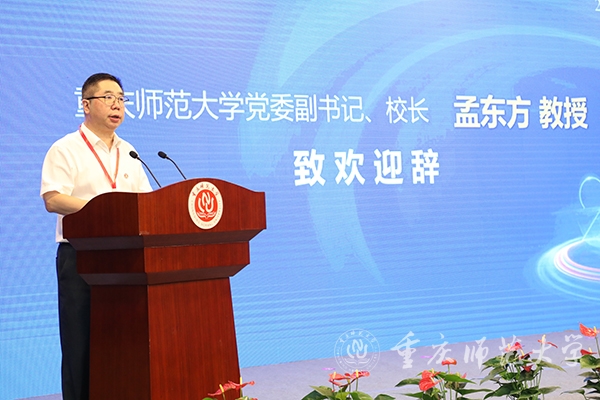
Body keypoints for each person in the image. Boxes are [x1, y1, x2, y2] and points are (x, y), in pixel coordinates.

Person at [40, 73, 152, 400]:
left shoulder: (129, 152)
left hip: (125, 259)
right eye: (108, 97)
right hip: (81, 257)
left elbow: (146, 203)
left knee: (122, 341)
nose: (117, 104)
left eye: (121, 98)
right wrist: (104, 210)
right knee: (80, 344)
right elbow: (53, 199)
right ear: (86, 105)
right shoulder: (65, 148)